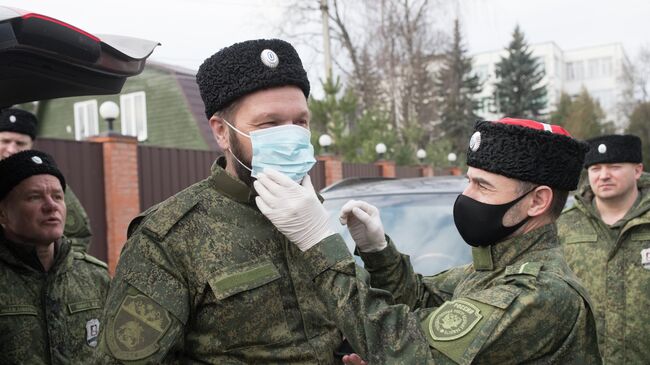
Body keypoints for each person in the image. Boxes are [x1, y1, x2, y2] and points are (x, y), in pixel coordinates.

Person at [255, 118, 603, 364]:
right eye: (469, 181)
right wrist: (379, 254)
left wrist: (321, 243)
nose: (466, 196)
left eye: (483, 186)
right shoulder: (494, 268)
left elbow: (400, 346)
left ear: (538, 201)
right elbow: (423, 301)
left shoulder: (538, 294)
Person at [96, 39, 347, 363]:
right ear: (221, 132)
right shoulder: (169, 239)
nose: (291, 137)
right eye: (269, 124)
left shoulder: (316, 214)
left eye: (300, 122)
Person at [0, 150, 110, 364]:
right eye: (34, 197)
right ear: (3, 212)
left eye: (58, 196)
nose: (51, 206)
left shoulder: (95, 277)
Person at [557, 134, 649, 364]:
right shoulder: (563, 226)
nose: (604, 175)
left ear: (637, 170)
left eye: (615, 167)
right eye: (595, 168)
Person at [0, 107, 93, 253]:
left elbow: (78, 234)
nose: (11, 149)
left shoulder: (47, 185)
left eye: (20, 143)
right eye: (5, 141)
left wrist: (57, 266)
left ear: (31, 146)